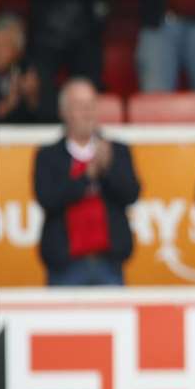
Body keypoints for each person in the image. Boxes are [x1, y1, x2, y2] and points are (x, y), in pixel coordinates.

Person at [33, 78, 140, 285]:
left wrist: (108, 170)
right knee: (62, 319)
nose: (87, 112)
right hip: (65, 266)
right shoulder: (48, 155)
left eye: (91, 105)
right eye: (80, 106)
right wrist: (86, 176)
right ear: (64, 112)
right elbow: (47, 199)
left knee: (112, 318)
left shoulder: (116, 150)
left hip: (109, 263)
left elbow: (131, 194)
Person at [0, 13, 42, 123]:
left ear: (18, 50)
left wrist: (33, 97)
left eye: (2, 46)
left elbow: (52, 116)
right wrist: (8, 104)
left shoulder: (32, 71)